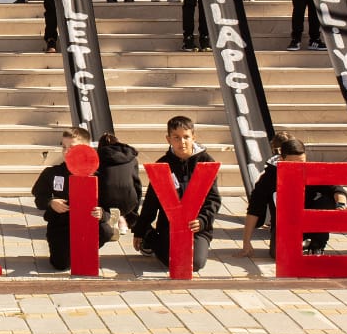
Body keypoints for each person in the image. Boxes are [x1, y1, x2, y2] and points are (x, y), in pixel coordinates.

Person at [133, 116, 221, 272]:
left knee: (195, 264)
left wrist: (202, 221)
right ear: (168, 139)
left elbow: (213, 199)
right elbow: (151, 201)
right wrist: (140, 230)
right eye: (176, 138)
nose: (182, 142)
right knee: (174, 261)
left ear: (194, 137)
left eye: (186, 137)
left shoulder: (206, 162)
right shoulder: (163, 164)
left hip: (198, 228)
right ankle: (151, 238)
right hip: (170, 227)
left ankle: (160, 243)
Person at [236, 136, 347, 259]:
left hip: (309, 221)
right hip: (284, 226)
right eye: (292, 163)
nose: (298, 167)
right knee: (278, 254)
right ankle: (299, 244)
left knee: (327, 200)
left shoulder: (311, 171)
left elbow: (336, 188)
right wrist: (246, 242)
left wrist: (341, 206)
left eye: (301, 162)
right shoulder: (269, 179)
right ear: (281, 159)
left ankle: (317, 244)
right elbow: (254, 209)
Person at [32, 127, 120, 271]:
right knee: (61, 265)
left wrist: (102, 214)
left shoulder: (98, 176)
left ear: (86, 149)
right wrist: (50, 202)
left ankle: (85, 248)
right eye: (64, 147)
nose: (66, 152)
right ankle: (70, 251)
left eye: (72, 148)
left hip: (88, 223)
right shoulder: (52, 173)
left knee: (106, 231)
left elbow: (107, 206)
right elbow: (39, 198)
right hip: (60, 226)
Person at [96, 131, 142, 236]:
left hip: (106, 201)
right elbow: (137, 184)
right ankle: (122, 220)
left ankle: (112, 220)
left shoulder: (97, 158)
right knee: (125, 193)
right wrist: (134, 212)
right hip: (128, 201)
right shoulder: (132, 159)